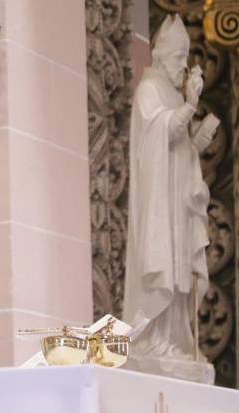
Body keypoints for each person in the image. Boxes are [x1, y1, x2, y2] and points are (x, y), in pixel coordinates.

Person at [123, 14, 219, 359]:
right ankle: (154, 341)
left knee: (180, 274)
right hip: (159, 202)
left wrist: (198, 141)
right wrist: (192, 105)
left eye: (185, 58)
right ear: (162, 56)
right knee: (163, 269)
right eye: (178, 58)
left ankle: (175, 340)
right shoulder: (149, 90)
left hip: (176, 202)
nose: (183, 65)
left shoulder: (175, 96)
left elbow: (179, 148)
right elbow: (161, 133)